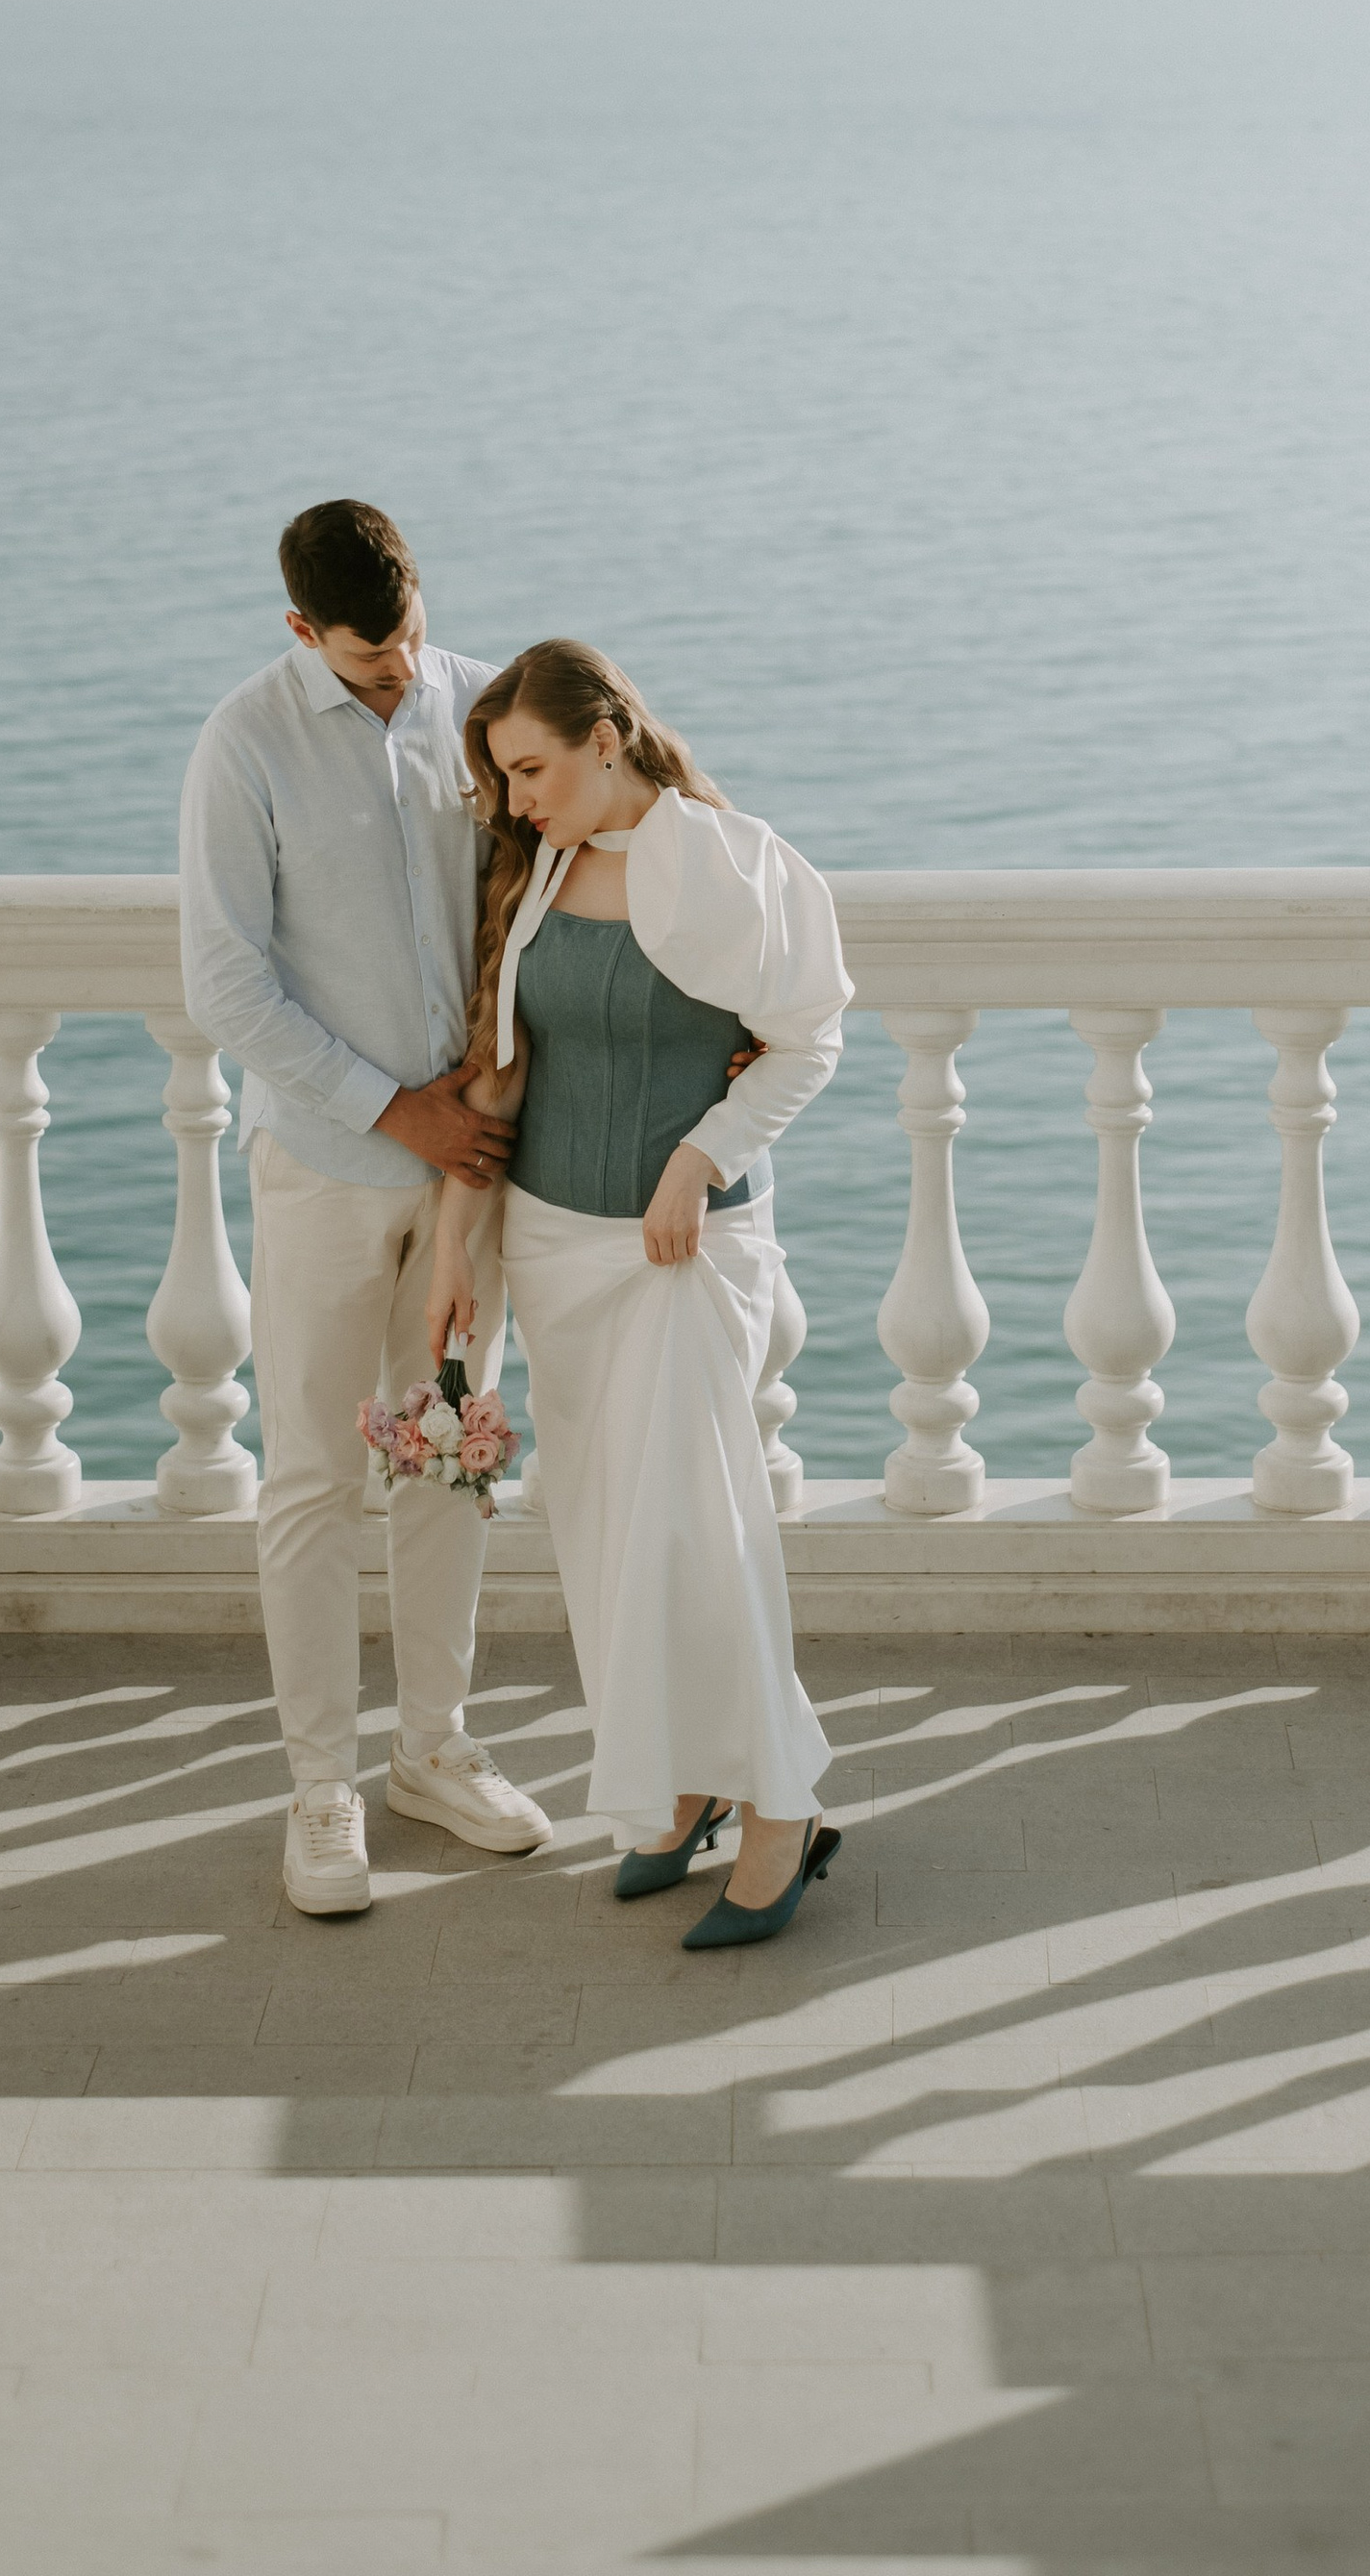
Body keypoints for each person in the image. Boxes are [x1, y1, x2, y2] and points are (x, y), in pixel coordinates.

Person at [428, 640, 852, 1949]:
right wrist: (459, 1253)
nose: (517, 799)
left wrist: (700, 1157)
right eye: (502, 779)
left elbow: (811, 1035)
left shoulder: (726, 862)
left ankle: (779, 1811)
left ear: (606, 737)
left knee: (702, 1539)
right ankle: (675, 1791)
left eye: (534, 768)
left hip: (681, 1255)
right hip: (557, 1250)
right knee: (607, 1540)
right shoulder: (537, 869)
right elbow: (500, 1075)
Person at [179, 498, 553, 1917]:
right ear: (300, 633)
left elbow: (524, 895)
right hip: (332, 1176)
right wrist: (401, 1109)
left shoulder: (472, 706)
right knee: (315, 1484)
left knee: (454, 1460)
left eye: (407, 644)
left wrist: (479, 1104)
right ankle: (321, 1787)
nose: (402, 675)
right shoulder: (244, 746)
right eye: (369, 659)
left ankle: (437, 1753)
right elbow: (227, 986)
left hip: (471, 1178)